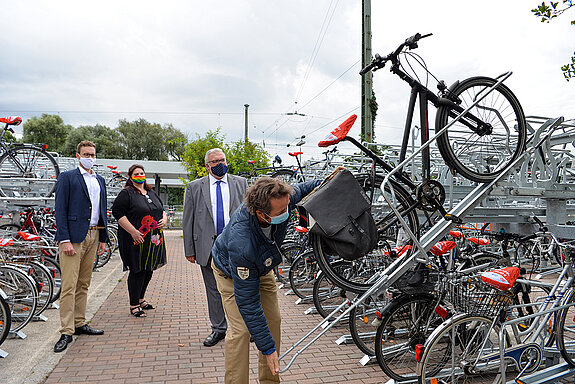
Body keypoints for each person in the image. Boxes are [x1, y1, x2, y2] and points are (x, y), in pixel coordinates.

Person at [211, 176, 319, 383]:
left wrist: (329, 179)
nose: (287, 214)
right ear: (261, 214)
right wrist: (268, 349)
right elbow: (249, 304)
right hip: (232, 273)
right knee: (241, 331)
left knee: (273, 321)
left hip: (261, 267)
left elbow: (306, 187)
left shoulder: (281, 199)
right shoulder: (242, 243)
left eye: (288, 207)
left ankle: (270, 380)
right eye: (280, 213)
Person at [182, 148, 248, 347]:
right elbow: (188, 220)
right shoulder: (195, 187)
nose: (220, 163)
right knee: (214, 290)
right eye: (215, 161)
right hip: (207, 247)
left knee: (243, 288)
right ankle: (219, 329)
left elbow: (248, 214)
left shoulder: (241, 183)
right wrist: (189, 250)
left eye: (222, 159)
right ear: (207, 165)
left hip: (236, 245)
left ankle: (246, 327)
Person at [53, 140, 108, 353]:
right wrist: (64, 239)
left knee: (84, 282)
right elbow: (60, 210)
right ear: (78, 155)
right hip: (74, 238)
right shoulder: (68, 177)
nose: (90, 157)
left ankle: (79, 322)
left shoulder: (99, 180)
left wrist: (104, 238)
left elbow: (102, 209)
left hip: (94, 234)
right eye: (86, 153)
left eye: (92, 154)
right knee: (69, 284)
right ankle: (66, 331)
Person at [111, 164, 167, 317]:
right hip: (136, 239)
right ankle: (134, 304)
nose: (140, 175)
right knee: (137, 270)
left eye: (142, 173)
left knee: (148, 269)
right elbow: (118, 213)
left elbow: (162, 210)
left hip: (153, 239)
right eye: (136, 173)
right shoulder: (127, 194)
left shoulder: (151, 192)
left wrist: (164, 219)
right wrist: (133, 231)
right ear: (130, 176)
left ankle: (141, 299)